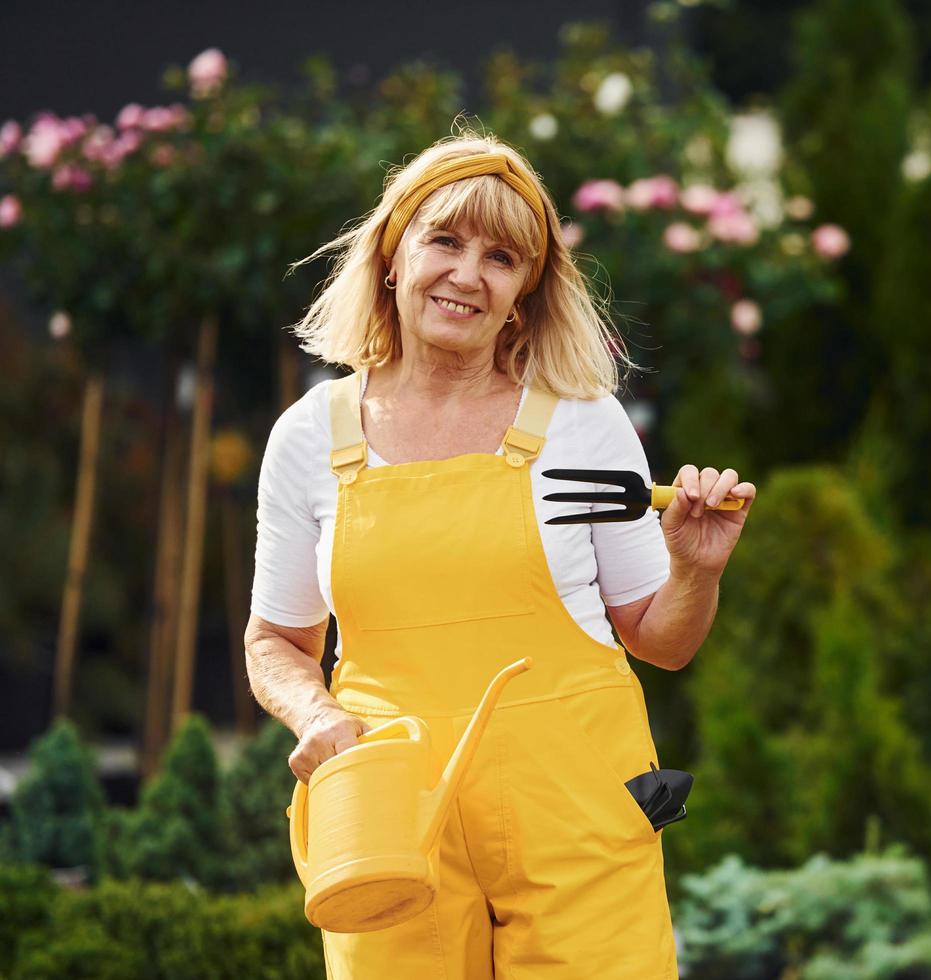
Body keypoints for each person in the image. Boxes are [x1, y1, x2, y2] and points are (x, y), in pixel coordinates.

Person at [244, 130, 755, 979]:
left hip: (577, 820)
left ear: (523, 292)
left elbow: (661, 640)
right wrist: (319, 716)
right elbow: (276, 643)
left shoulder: (583, 426)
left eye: (501, 258)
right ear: (392, 257)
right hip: (389, 821)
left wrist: (695, 569)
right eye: (444, 241)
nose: (467, 274)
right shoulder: (309, 438)